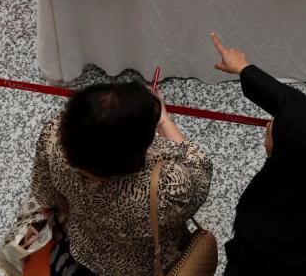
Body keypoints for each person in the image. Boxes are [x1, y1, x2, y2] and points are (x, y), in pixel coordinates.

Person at [210, 32, 306, 276]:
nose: (268, 125)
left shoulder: (263, 224)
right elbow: (298, 109)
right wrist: (243, 68)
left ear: (284, 158)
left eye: (273, 132)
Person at [28, 80, 212, 276]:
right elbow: (200, 169)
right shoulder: (166, 188)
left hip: (85, 245)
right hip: (141, 265)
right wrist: (163, 120)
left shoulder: (52, 137)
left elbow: (45, 193)